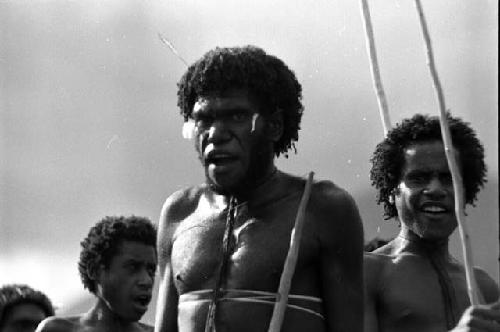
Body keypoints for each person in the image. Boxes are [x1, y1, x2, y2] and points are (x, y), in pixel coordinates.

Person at [154, 45, 364, 332]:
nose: (215, 134)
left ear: (275, 126)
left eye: (237, 116)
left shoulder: (322, 208)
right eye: (204, 119)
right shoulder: (180, 212)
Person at [364, 113, 500, 332]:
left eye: (449, 179)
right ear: (392, 191)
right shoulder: (369, 273)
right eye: (418, 178)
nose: (436, 190)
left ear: (466, 193)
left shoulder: (483, 286)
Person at [36, 215, 157, 332]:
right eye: (132, 267)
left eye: (151, 270)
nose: (146, 281)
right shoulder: (58, 330)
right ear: (95, 271)